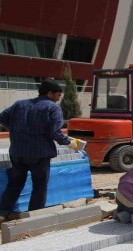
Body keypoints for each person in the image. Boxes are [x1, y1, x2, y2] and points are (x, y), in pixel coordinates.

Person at [0, 80, 83, 221]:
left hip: (18, 152)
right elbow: (54, 132)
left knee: (15, 183)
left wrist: (14, 129)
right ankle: (34, 217)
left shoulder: (19, 104)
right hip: (40, 154)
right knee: (39, 186)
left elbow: (2, 117)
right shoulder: (53, 108)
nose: (59, 99)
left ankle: (2, 212)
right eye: (58, 95)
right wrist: (70, 143)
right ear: (49, 93)